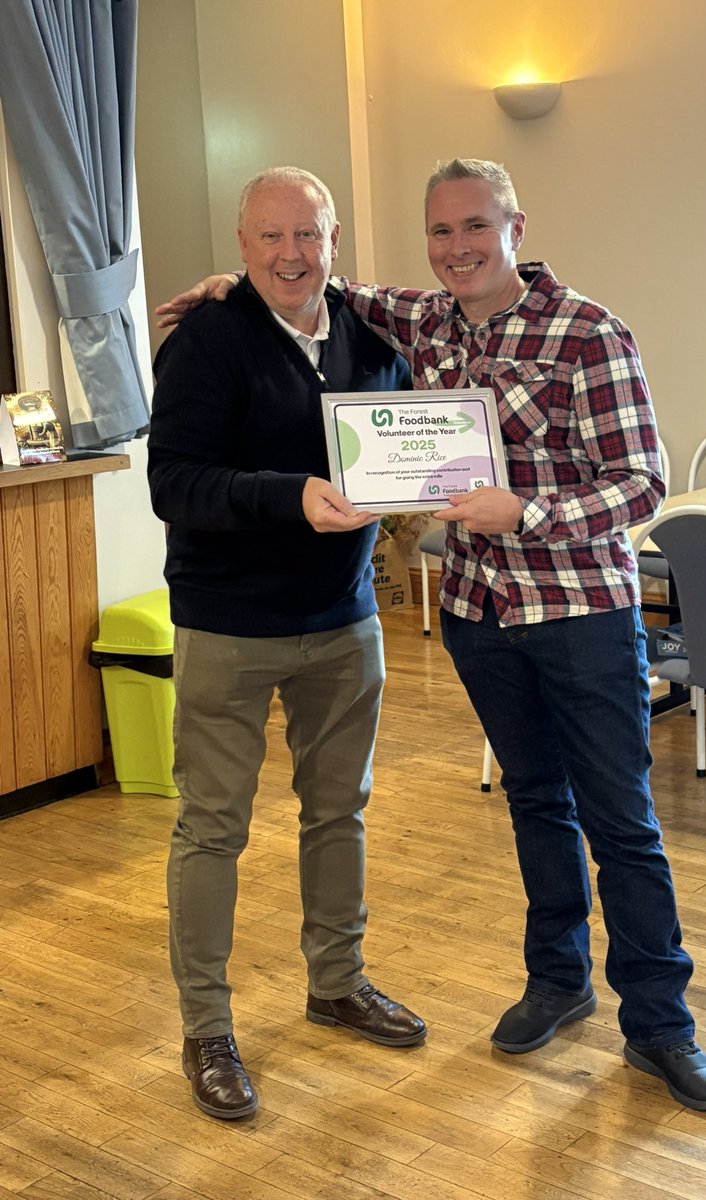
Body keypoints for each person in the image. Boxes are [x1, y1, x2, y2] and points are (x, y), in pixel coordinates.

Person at [156, 158, 706, 1112]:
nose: (458, 248)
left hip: (577, 610)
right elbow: (190, 455)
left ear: (514, 226)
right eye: (440, 233)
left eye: (475, 227)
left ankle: (662, 1027)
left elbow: (643, 485)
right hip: (470, 613)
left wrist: (529, 513)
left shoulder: (586, 331)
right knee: (534, 807)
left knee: (621, 824)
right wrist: (240, 288)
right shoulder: (410, 323)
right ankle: (556, 982)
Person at [148, 166, 425, 1122]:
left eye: (308, 235)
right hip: (228, 626)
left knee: (338, 812)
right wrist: (287, 496)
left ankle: (336, 982)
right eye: (270, 238)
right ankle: (207, 1030)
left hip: (345, 622)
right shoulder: (208, 341)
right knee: (212, 829)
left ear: (335, 241)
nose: (291, 255)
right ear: (241, 247)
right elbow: (175, 484)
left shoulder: (371, 330)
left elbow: (407, 438)